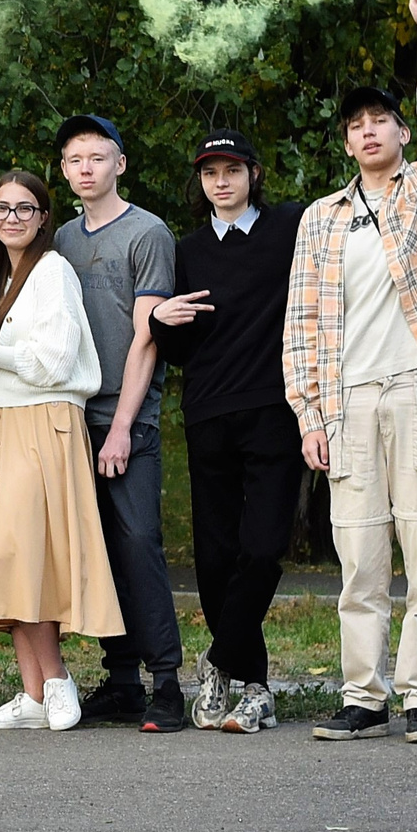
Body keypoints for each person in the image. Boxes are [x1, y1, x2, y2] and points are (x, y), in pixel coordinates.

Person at [286, 0, 417, 745]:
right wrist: (309, 416)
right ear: (346, 141)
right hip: (350, 402)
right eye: (355, 125)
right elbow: (300, 326)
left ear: (398, 130)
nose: (367, 132)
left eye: (380, 120)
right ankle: (365, 697)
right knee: (359, 564)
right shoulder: (321, 220)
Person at [0, 170, 124, 731]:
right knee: (5, 561)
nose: (12, 219)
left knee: (26, 557)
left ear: (44, 217)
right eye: (2, 209)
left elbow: (56, 359)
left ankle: (56, 681)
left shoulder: (53, 271)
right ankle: (33, 693)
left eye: (24, 209)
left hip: (41, 423)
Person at [153, 130, 305, 734]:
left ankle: (218, 659)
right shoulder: (187, 251)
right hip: (209, 412)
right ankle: (256, 687)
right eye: (210, 172)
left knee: (262, 549)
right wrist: (163, 321)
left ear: (254, 174)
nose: (221, 181)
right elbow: (181, 345)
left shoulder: (290, 229)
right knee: (215, 558)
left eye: (232, 169)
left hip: (274, 409)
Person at [52, 112, 185, 731]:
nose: (86, 169)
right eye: (75, 160)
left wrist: (124, 426)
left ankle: (166, 684)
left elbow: (147, 338)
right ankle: (122, 678)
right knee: (97, 552)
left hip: (127, 416)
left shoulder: (147, 233)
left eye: (97, 157)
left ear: (119, 164)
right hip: (72, 416)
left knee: (137, 544)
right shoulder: (60, 241)